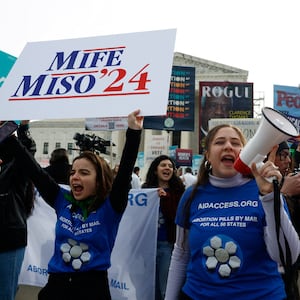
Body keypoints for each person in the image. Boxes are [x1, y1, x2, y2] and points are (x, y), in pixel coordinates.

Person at [0, 110, 143, 300]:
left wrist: (133, 131)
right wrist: (6, 131)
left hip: (92, 290)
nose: (75, 177)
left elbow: (125, 170)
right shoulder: (62, 199)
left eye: (84, 173)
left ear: (99, 180)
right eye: (73, 172)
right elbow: (34, 170)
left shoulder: (110, 207)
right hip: (55, 288)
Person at [165, 124, 300, 300]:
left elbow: (286, 256)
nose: (228, 146)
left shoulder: (264, 190)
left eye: (235, 143)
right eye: (220, 142)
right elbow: (181, 254)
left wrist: (269, 198)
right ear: (208, 155)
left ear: (245, 153)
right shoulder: (191, 195)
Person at [0, 120, 36, 300]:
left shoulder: (15, 171)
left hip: (9, 239)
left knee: (5, 293)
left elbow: (27, 153)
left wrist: (23, 128)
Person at [141, 155, 185, 300]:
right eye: (163, 165)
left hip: (167, 246)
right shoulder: (146, 190)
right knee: (149, 288)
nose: (167, 168)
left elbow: (177, 217)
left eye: (170, 166)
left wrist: (164, 199)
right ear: (155, 170)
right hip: (147, 247)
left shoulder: (179, 191)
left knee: (166, 289)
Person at [274, 141, 300, 299]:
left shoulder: (290, 180)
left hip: (291, 267)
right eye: (283, 155)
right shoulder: (254, 186)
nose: (288, 161)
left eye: (289, 156)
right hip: (272, 271)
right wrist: (283, 194)